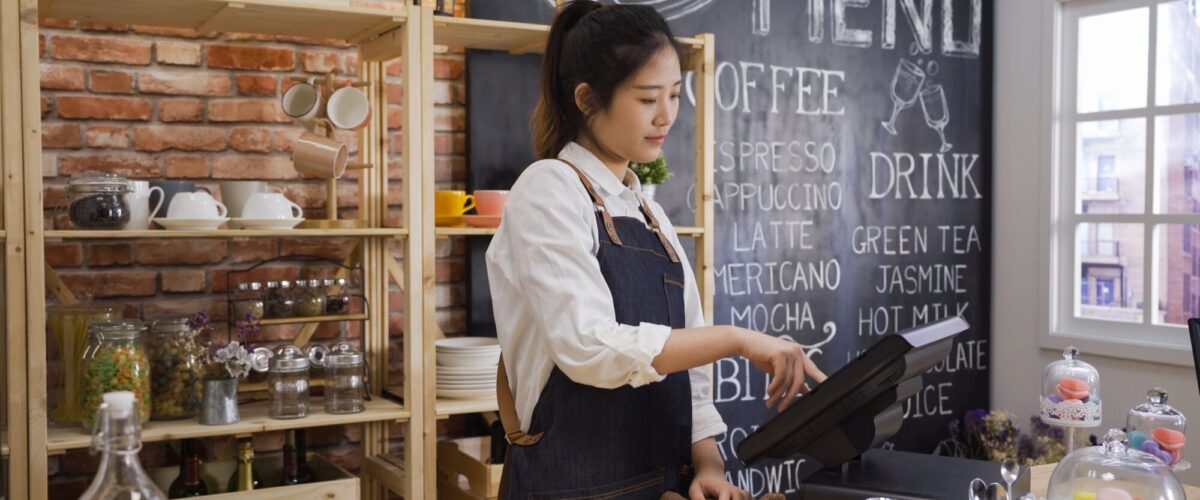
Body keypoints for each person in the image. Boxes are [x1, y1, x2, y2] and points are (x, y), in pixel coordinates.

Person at [485, 1, 827, 498]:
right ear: (586, 99)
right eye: (647, 99)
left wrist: (709, 465)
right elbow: (589, 346)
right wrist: (737, 339)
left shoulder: (650, 214)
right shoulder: (548, 189)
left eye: (673, 94)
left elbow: (693, 377)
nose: (667, 115)